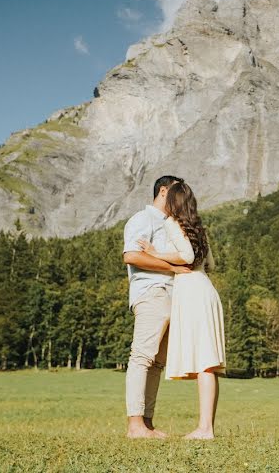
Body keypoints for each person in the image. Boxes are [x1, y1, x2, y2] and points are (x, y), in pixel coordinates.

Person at [137, 181, 226, 440]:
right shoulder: (199, 228)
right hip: (205, 288)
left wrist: (157, 253)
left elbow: (186, 256)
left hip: (192, 292)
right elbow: (209, 263)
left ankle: (205, 429)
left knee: (204, 363)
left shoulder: (172, 224)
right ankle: (206, 426)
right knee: (207, 363)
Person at [121, 175, 190, 439]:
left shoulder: (170, 225)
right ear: (163, 191)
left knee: (157, 363)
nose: (180, 200)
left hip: (171, 296)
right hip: (152, 292)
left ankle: (147, 423)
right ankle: (135, 425)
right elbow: (132, 256)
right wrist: (172, 268)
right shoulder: (143, 219)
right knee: (141, 358)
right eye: (177, 193)